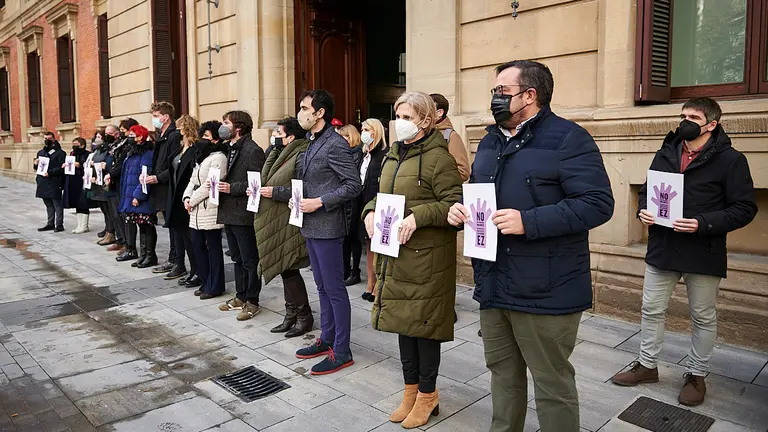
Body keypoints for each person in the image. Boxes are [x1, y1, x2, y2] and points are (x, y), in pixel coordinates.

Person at [446, 60, 614, 432]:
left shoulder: (569, 139)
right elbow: (482, 191)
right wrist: (461, 207)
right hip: (494, 283)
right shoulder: (490, 139)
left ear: (530, 95)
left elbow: (598, 204)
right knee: (503, 377)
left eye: (501, 92)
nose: (494, 99)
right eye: (494, 92)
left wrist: (529, 221)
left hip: (546, 290)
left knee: (551, 385)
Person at [610, 97, 757, 406]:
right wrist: (645, 211)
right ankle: (647, 365)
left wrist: (702, 223)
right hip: (663, 248)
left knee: (702, 316)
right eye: (683, 114)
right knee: (651, 309)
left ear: (712, 124)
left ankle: (696, 374)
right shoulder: (666, 152)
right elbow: (649, 192)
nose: (685, 120)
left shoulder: (731, 159)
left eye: (693, 116)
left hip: (703, 250)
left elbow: (745, 208)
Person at [362, 92, 462, 429]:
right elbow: (381, 195)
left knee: (424, 328)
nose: (399, 122)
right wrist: (370, 212)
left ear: (424, 120)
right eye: (397, 115)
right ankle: (410, 391)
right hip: (398, 254)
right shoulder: (393, 156)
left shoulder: (439, 158)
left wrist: (417, 216)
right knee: (403, 324)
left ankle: (428, 395)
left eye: (406, 116)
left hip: (428, 259)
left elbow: (454, 204)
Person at [291, 90, 362, 375]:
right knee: (321, 286)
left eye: (305, 107)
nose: (301, 112)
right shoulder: (311, 142)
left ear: (320, 113)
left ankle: (342, 350)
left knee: (334, 289)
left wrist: (320, 201)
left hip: (329, 226)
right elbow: (308, 183)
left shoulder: (335, 143)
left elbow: (353, 185)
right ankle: (328, 337)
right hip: (310, 225)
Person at [255, 117, 314, 338]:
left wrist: (276, 193)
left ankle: (303, 316)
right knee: (283, 267)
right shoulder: (282, 153)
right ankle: (291, 314)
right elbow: (265, 178)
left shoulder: (300, 154)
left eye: (278, 133)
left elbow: (303, 188)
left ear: (291, 136)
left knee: (289, 267)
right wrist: (273, 149)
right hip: (277, 218)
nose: (274, 137)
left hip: (290, 218)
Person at [216, 110, 266, 321]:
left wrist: (230, 188)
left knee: (249, 260)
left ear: (238, 127)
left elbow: (256, 184)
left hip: (243, 212)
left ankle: (252, 301)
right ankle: (240, 295)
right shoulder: (229, 148)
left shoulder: (253, 150)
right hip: (230, 211)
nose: (223, 126)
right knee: (236, 258)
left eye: (226, 122)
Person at [184, 131, 230, 299]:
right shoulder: (202, 155)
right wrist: (186, 197)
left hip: (209, 208)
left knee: (213, 248)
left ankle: (215, 285)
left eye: (208, 135)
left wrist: (193, 200)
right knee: (197, 245)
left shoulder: (219, 158)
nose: (203, 138)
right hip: (195, 210)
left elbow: (211, 184)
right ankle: (205, 281)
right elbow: (192, 180)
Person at [143, 102, 182, 275]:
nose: (154, 120)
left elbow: (174, 165)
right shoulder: (162, 134)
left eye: (156, 116)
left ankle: (177, 261)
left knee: (175, 227)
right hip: (162, 187)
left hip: (169, 187)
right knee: (170, 225)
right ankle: (173, 259)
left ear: (165, 117)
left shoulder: (173, 136)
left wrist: (158, 177)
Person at [164, 115, 200, 282]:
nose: (177, 131)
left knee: (190, 238)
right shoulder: (180, 148)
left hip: (187, 197)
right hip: (176, 197)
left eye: (180, 128)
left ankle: (196, 270)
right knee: (182, 236)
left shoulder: (195, 149)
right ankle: (188, 268)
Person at [118, 125, 157, 268]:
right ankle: (143, 254)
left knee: (147, 226)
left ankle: (150, 255)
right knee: (141, 225)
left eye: (133, 134)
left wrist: (138, 196)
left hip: (141, 196)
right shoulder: (132, 153)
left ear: (141, 136)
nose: (130, 137)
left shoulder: (147, 154)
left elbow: (145, 175)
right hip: (131, 195)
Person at [357, 118, 387, 301]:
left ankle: (380, 285)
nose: (363, 132)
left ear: (375, 132)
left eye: (366, 129)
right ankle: (370, 282)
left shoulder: (384, 154)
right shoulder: (364, 154)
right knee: (368, 245)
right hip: (364, 204)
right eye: (362, 129)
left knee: (379, 247)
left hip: (378, 204)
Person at [107, 118, 139, 256]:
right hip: (118, 181)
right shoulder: (120, 144)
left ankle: (129, 245)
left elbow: (121, 164)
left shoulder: (130, 146)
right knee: (118, 213)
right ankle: (124, 241)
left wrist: (111, 173)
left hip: (125, 182)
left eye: (123, 130)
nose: (121, 133)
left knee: (127, 216)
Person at [337, 124, 364, 286]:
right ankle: (345, 270)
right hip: (343, 200)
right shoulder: (343, 154)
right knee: (345, 238)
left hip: (354, 200)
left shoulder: (358, 153)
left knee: (353, 238)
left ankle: (355, 272)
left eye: (344, 136)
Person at [430, 93, 470, 183]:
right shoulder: (421, 134)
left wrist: (435, 180)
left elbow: (463, 172)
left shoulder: (451, 136)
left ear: (439, 113)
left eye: (427, 109)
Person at [89, 130, 117, 246]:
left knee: (109, 211)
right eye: (97, 137)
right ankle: (108, 230)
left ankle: (111, 232)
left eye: (100, 136)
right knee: (105, 211)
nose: (98, 139)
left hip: (105, 183)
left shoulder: (108, 151)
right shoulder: (96, 151)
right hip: (97, 183)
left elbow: (108, 165)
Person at [35, 132, 67, 232]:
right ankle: (50, 223)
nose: (47, 140)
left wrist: (50, 172)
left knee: (57, 203)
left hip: (54, 181)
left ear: (53, 139)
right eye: (45, 138)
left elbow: (62, 168)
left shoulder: (60, 153)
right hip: (43, 181)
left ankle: (59, 224)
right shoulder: (41, 152)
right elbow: (37, 168)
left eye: (49, 138)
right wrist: (35, 164)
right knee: (48, 203)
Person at [62, 137, 93, 234]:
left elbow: (88, 168)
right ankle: (79, 225)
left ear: (82, 145)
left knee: (83, 203)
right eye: (73, 143)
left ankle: (84, 225)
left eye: (76, 144)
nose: (74, 145)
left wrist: (79, 166)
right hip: (73, 181)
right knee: (77, 203)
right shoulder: (72, 154)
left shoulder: (87, 154)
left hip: (83, 181)